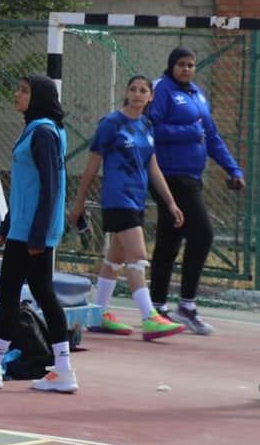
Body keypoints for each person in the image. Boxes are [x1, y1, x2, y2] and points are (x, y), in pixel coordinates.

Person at [0, 75, 79, 393]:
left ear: (38, 97)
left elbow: (51, 189)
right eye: (19, 87)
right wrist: (8, 223)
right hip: (25, 228)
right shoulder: (36, 129)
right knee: (43, 293)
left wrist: (37, 235)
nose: (17, 93)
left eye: (24, 90)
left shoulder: (44, 134)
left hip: (32, 234)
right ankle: (62, 369)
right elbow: (27, 188)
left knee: (8, 294)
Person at [67, 75, 186, 340]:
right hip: (117, 198)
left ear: (150, 97)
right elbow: (92, 165)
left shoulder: (146, 124)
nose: (137, 94)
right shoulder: (111, 124)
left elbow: (152, 167)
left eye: (143, 90)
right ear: (126, 93)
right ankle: (149, 317)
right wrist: (79, 200)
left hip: (137, 198)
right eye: (133, 89)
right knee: (138, 255)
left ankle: (99, 313)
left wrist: (170, 202)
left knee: (116, 258)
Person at [147, 46, 245, 334]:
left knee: (169, 240)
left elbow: (211, 136)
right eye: (181, 64)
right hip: (169, 177)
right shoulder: (162, 90)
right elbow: (151, 127)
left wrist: (233, 169)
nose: (187, 69)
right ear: (171, 65)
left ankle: (158, 307)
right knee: (203, 234)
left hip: (192, 176)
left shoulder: (197, 94)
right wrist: (188, 132)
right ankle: (186, 306)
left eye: (191, 65)